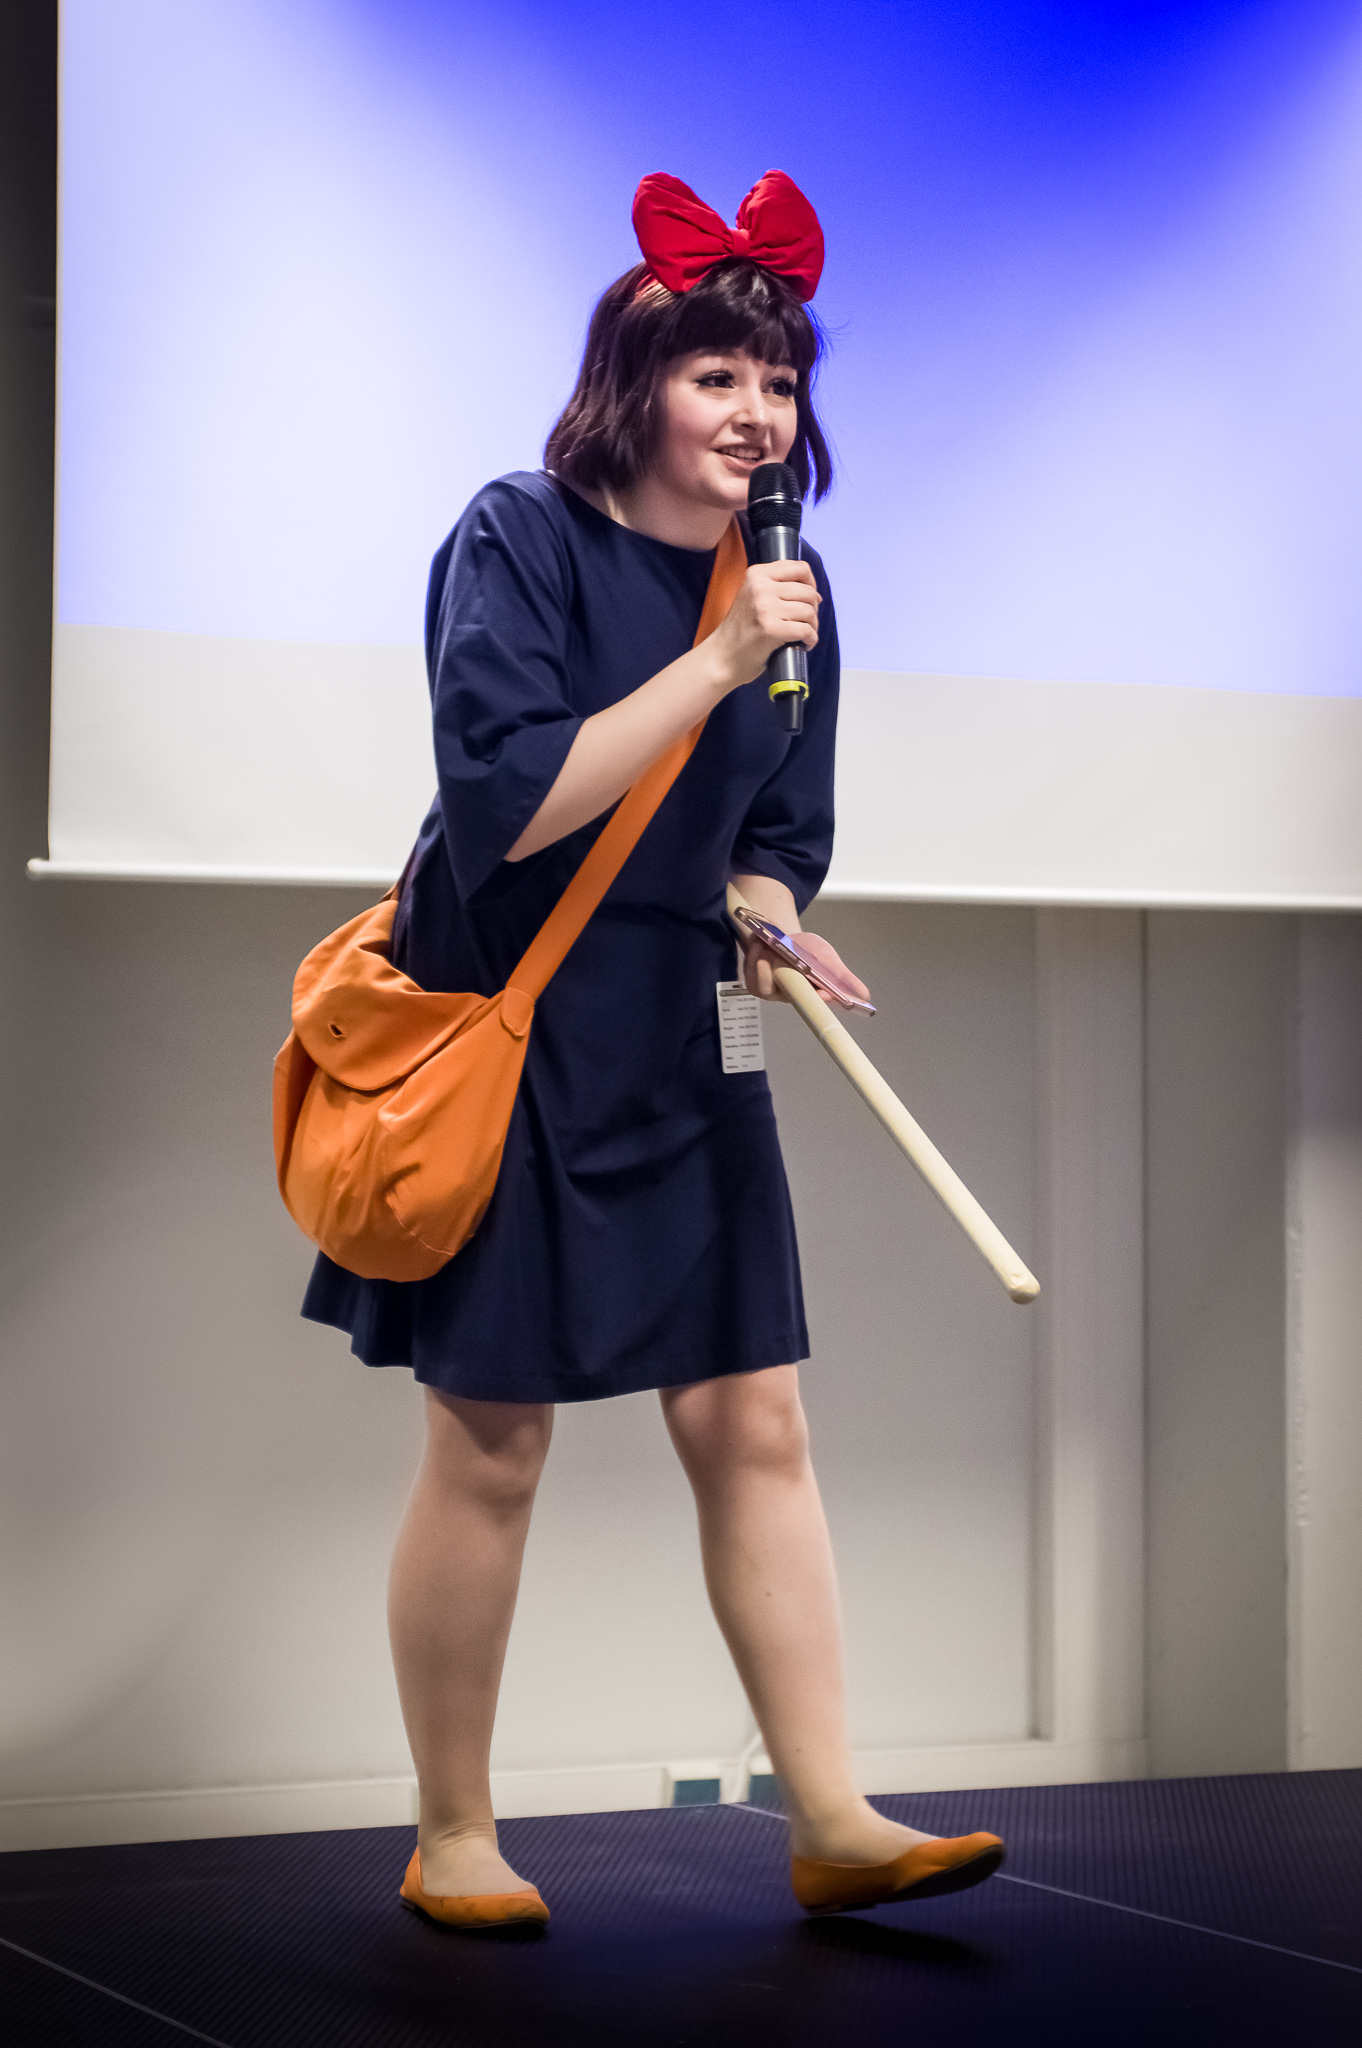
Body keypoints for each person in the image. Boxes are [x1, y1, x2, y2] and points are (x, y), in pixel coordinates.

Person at [302, 171, 1003, 1927]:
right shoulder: (519, 535)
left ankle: (828, 1815)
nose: (755, 413)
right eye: (715, 377)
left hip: (686, 1035)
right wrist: (713, 661)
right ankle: (453, 1833)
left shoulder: (787, 579)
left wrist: (768, 913)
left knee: (757, 1417)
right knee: (493, 1440)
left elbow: (782, 823)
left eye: (778, 381)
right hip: (516, 1025)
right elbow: (512, 801)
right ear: (636, 388)